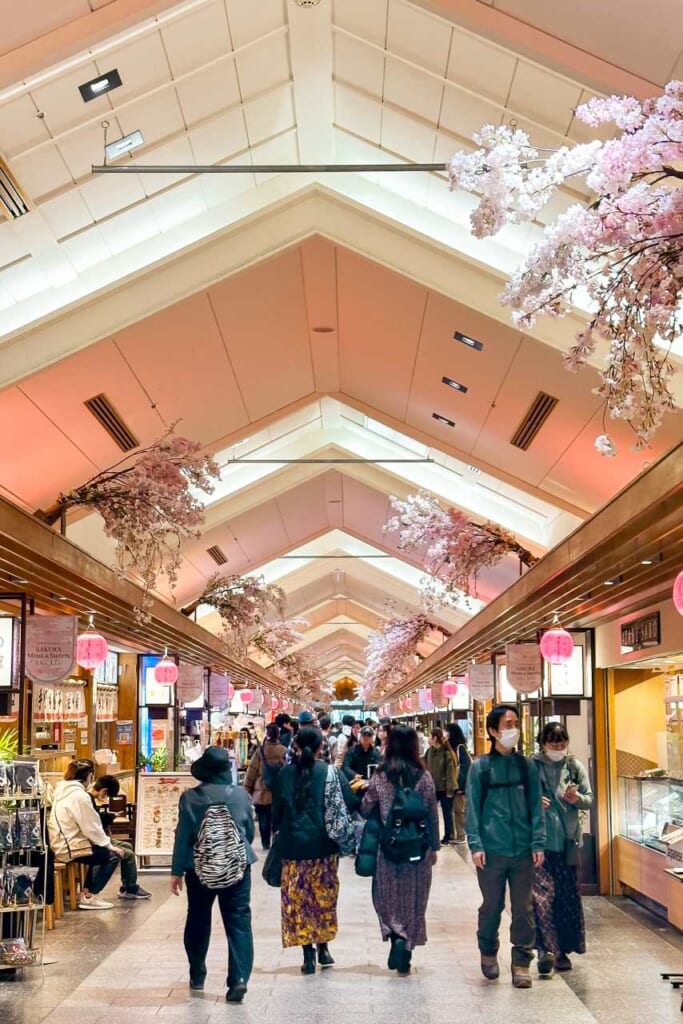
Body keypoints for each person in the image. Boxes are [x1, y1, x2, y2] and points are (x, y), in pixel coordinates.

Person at [465, 705, 546, 989]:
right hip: (492, 850)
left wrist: (538, 841)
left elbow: (536, 806)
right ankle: (488, 951)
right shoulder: (481, 768)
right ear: (493, 730)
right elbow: (472, 810)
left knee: (523, 907)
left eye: (516, 723)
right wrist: (475, 845)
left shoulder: (527, 766)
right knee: (492, 906)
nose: (514, 729)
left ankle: (521, 962)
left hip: (523, 849)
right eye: (507, 723)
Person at [171, 746, 256, 1004]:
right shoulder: (241, 796)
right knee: (238, 922)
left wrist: (176, 871)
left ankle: (197, 972)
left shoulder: (190, 798)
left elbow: (183, 835)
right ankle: (238, 978)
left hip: (199, 868)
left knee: (198, 918)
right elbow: (248, 832)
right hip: (237, 868)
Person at [272, 725, 356, 974]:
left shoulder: (285, 775)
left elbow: (277, 812)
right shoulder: (331, 772)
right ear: (322, 747)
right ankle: (324, 948)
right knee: (323, 898)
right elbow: (350, 802)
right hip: (324, 848)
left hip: (293, 849)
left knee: (298, 902)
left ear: (295, 745)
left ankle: (307, 955)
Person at [361, 725, 440, 976]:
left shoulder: (380, 776)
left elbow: (365, 808)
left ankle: (395, 934)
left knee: (386, 895)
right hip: (418, 849)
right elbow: (431, 814)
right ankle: (407, 948)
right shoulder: (424, 777)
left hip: (389, 848)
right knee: (415, 898)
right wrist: (435, 846)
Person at [531, 722, 592, 976]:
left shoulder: (574, 767)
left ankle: (563, 950)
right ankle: (545, 949)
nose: (558, 747)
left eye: (562, 742)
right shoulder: (531, 766)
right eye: (553, 742)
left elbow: (589, 799)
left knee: (567, 898)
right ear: (542, 743)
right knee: (542, 899)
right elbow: (517, 798)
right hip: (539, 844)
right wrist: (533, 802)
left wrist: (576, 799)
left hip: (567, 843)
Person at [48, 758, 126, 910]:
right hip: (69, 846)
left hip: (60, 842)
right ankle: (89, 895)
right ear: (89, 776)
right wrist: (109, 845)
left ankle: (86, 892)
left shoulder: (62, 791)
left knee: (101, 852)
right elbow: (91, 826)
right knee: (112, 855)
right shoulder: (79, 796)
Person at [90, 775, 151, 899]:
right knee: (126, 853)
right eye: (107, 796)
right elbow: (94, 824)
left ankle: (127, 887)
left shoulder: (87, 798)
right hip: (94, 839)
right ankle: (128, 888)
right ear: (104, 791)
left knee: (128, 846)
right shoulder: (87, 799)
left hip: (97, 836)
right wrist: (111, 817)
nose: (106, 799)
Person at [244, 722, 286, 850]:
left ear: (266, 735)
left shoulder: (260, 751)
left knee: (263, 818)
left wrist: (247, 788)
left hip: (261, 792)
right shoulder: (284, 750)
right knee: (276, 818)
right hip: (278, 791)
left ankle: (265, 842)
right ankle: (276, 840)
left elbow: (252, 771)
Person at [424, 728, 456, 846]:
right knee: (431, 813)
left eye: (430, 736)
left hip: (445, 789)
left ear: (435, 738)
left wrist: (450, 790)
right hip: (433, 788)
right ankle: (431, 836)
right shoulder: (430, 752)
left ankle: (448, 836)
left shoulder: (446, 754)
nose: (428, 738)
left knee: (447, 814)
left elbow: (450, 773)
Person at [446, 722, 471, 845]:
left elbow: (465, 766)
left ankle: (461, 835)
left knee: (459, 810)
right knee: (454, 810)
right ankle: (454, 834)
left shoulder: (460, 747)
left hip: (459, 785)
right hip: (453, 784)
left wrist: (461, 786)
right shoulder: (451, 747)